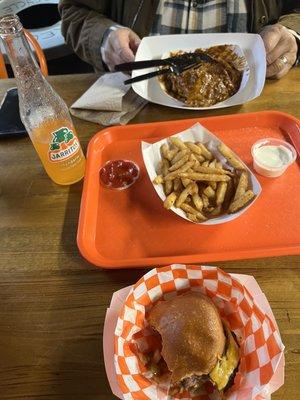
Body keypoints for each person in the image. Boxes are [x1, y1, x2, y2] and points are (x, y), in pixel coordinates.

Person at [58, 0, 299, 79]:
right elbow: (75, 11)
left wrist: (292, 33)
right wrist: (104, 37)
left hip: (255, 104)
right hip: (137, 106)